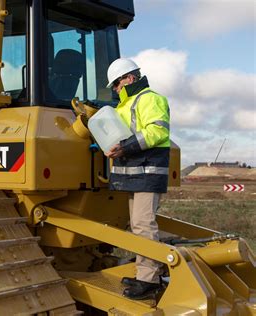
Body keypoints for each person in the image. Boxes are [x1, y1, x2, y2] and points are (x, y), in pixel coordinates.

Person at [104, 58, 170, 300]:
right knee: (138, 227)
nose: (114, 89)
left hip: (148, 172)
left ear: (130, 78)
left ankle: (150, 280)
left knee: (144, 226)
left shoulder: (150, 98)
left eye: (117, 84)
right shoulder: (125, 105)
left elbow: (158, 131)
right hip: (135, 174)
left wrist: (125, 147)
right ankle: (146, 274)